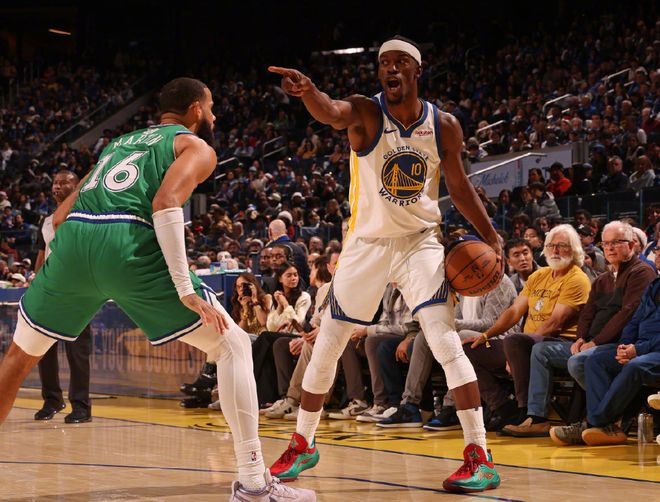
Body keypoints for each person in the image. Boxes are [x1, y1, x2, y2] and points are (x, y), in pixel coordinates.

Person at [0, 78, 314, 502]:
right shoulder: (195, 146)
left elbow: (56, 219)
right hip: (128, 242)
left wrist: (67, 267)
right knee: (232, 345)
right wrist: (185, 288)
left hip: (74, 241)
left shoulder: (117, 144)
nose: (214, 115)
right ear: (196, 110)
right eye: (212, 107)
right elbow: (165, 203)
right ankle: (255, 483)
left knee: (18, 359)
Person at [268, 35, 503, 493]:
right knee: (329, 342)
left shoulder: (444, 125)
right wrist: (309, 93)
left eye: (400, 62)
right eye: (383, 64)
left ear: (417, 70)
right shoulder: (366, 111)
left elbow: (458, 188)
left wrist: (491, 235)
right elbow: (331, 112)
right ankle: (303, 443)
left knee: (443, 337)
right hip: (367, 243)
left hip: (420, 242)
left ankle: (479, 455)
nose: (390, 69)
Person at [32, 170, 93, 423]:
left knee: (77, 352)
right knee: (43, 349)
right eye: (55, 182)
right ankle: (52, 400)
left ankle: (81, 406)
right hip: (49, 290)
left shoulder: (86, 213)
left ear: (76, 185)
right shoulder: (47, 220)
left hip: (77, 290)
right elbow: (42, 253)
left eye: (63, 182)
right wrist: (36, 284)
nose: (57, 186)